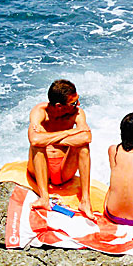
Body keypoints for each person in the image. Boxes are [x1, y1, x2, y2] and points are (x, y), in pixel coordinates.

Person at [27, 79, 94, 218]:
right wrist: (69, 132)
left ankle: (85, 201)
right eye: (73, 102)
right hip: (40, 169)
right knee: (37, 146)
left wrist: (47, 138)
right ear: (59, 106)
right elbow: (34, 139)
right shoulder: (40, 112)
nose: (78, 104)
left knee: (83, 146)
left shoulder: (77, 113)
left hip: (64, 170)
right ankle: (44, 197)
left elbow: (86, 138)